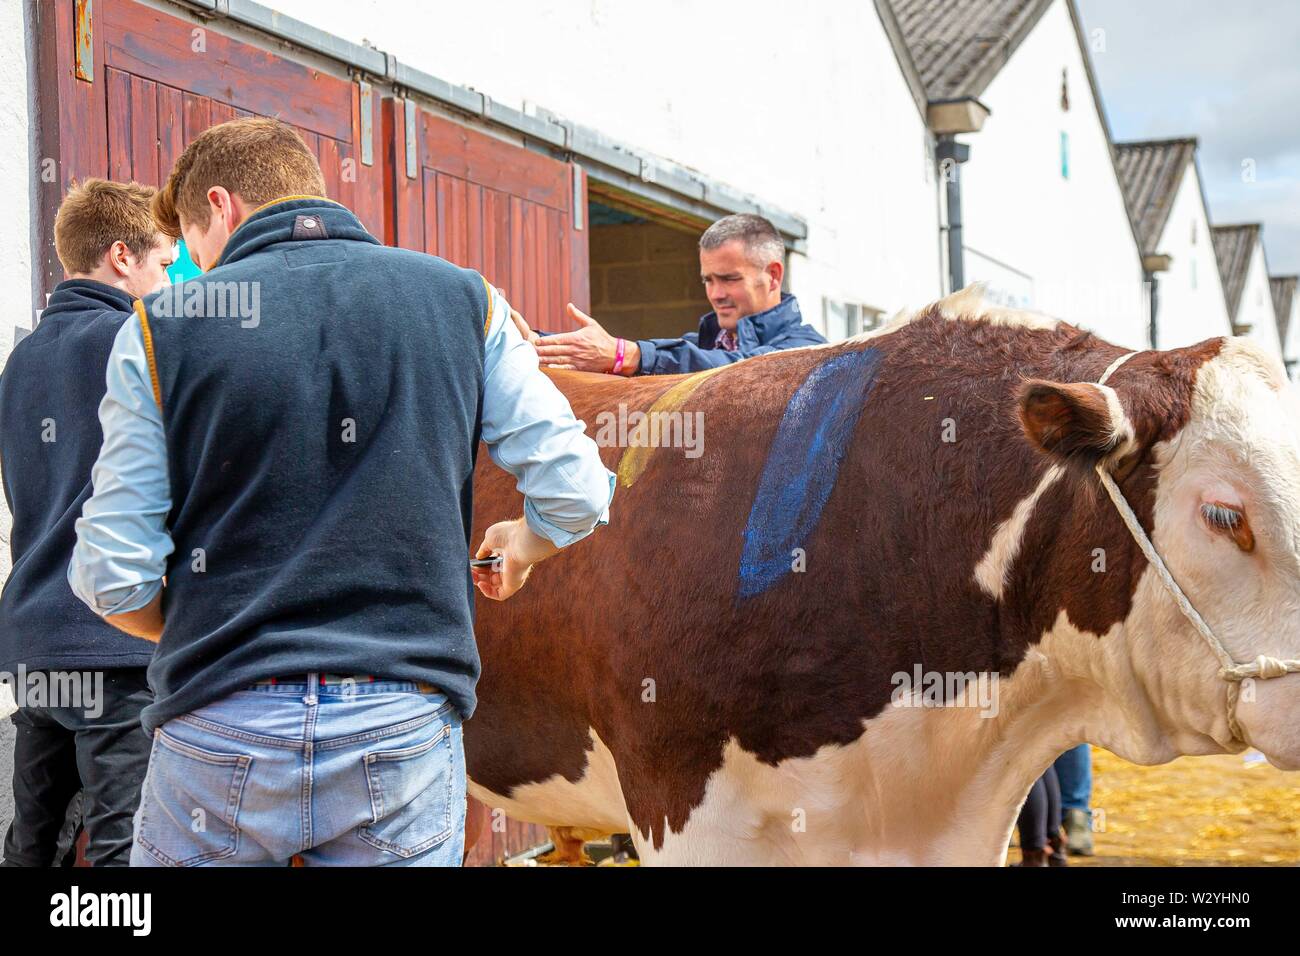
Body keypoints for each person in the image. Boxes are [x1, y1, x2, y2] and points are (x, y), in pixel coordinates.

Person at [67, 117, 615, 866]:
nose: (197, 269)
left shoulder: (163, 326)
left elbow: (112, 573)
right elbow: (577, 490)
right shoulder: (465, 301)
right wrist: (527, 541)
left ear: (222, 207)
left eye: (193, 246)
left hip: (219, 725)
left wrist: (216, 623)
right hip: (401, 726)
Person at [0, 179, 174, 866]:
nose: (170, 282)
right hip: (112, 645)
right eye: (165, 264)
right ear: (122, 255)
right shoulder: (139, 344)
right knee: (118, 845)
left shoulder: (20, 361)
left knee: (31, 840)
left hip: (37, 642)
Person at [514, 213, 826, 374]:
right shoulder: (700, 344)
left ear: (773, 275)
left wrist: (626, 355)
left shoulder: (809, 352)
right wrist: (538, 343)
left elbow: (743, 370)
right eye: (708, 280)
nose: (716, 294)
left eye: (729, 279)